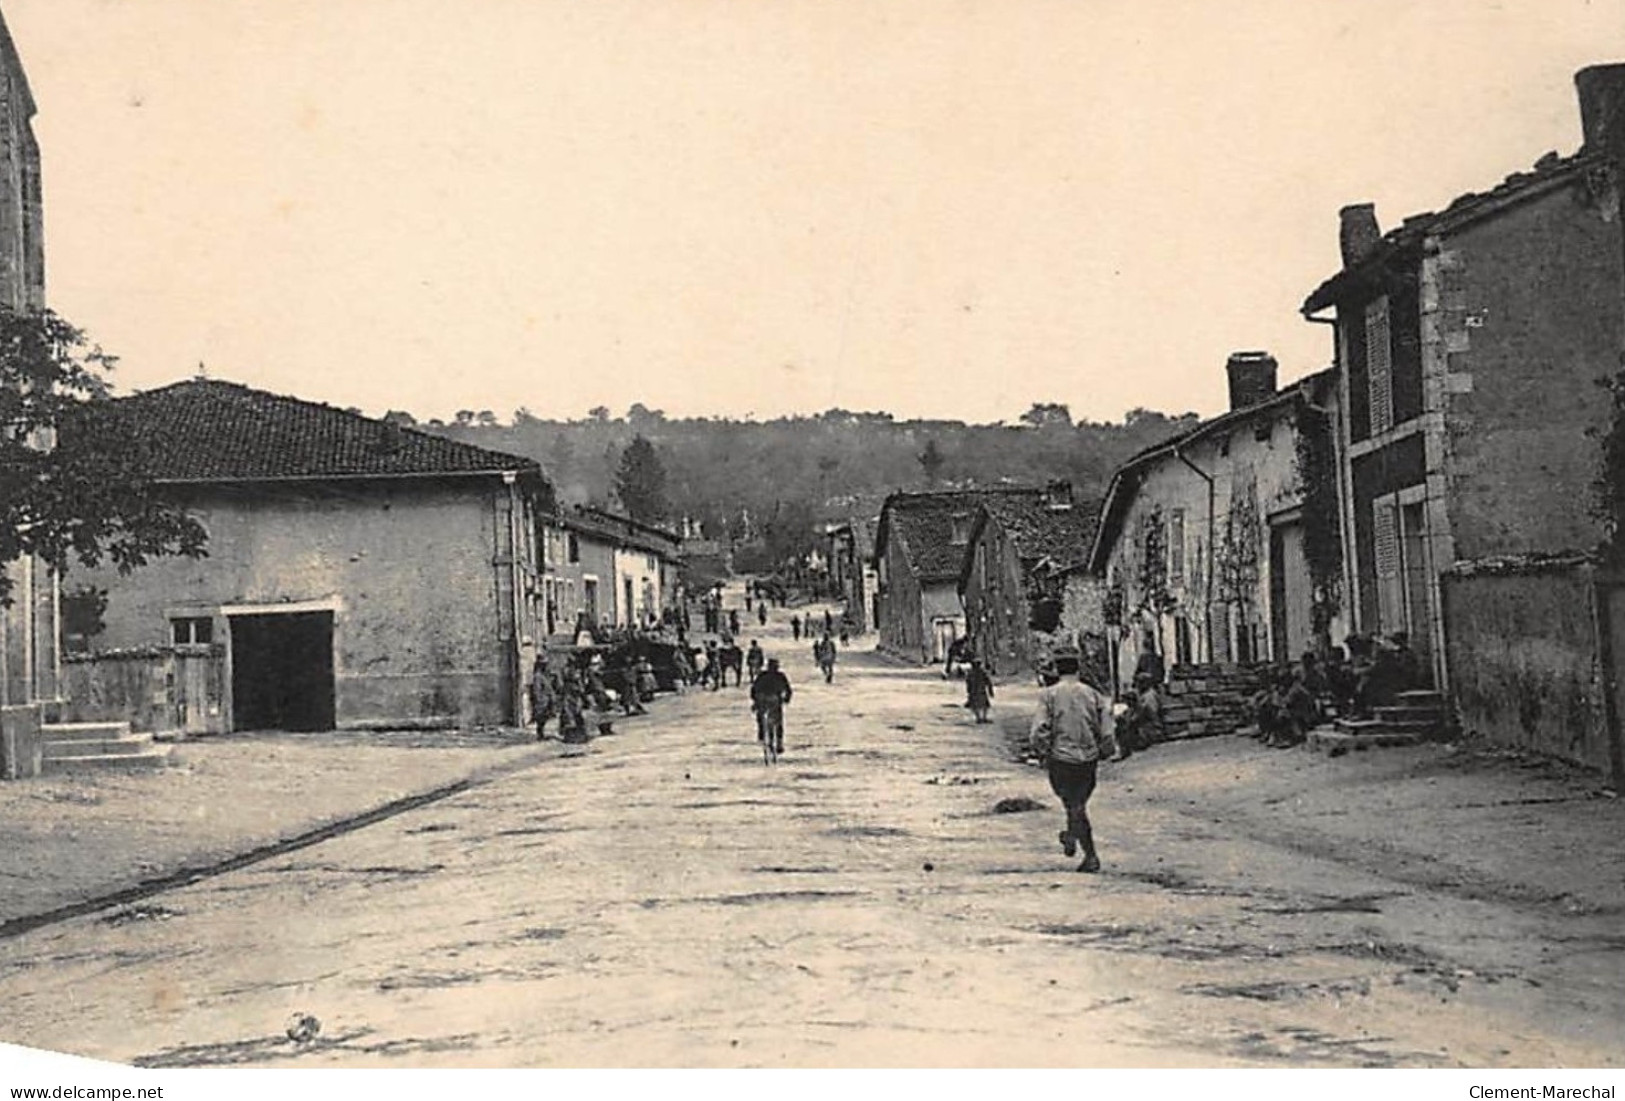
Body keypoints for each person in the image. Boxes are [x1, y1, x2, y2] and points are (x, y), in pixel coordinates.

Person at [1029, 664, 1119, 873]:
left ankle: (1090, 855)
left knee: (1073, 805)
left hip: (1061, 758)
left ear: (1058, 670)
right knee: (1077, 803)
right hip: (1088, 759)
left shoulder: (1049, 695)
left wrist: (1042, 751)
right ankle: (1071, 835)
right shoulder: (1093, 694)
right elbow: (1107, 731)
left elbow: (1039, 730)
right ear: (1078, 669)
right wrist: (1105, 750)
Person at [750, 657, 793, 756]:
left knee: (760, 715)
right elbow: (788, 689)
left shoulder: (762, 675)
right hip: (775, 700)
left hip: (763, 699)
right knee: (778, 722)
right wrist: (786, 699)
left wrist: (755, 701)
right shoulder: (780, 676)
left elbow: (754, 689)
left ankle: (761, 732)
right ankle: (779, 742)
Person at [529, 654, 557, 742]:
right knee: (540, 718)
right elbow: (536, 690)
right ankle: (540, 735)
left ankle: (541, 734)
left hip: (546, 700)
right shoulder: (537, 676)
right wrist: (539, 700)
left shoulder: (544, 676)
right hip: (542, 701)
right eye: (544, 665)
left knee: (544, 717)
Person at [965, 658, 994, 724]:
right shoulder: (982, 672)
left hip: (974, 691)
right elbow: (989, 682)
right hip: (981, 691)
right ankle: (983, 718)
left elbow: (968, 683)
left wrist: (968, 691)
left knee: (975, 706)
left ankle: (979, 718)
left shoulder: (970, 673)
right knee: (985, 705)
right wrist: (990, 691)